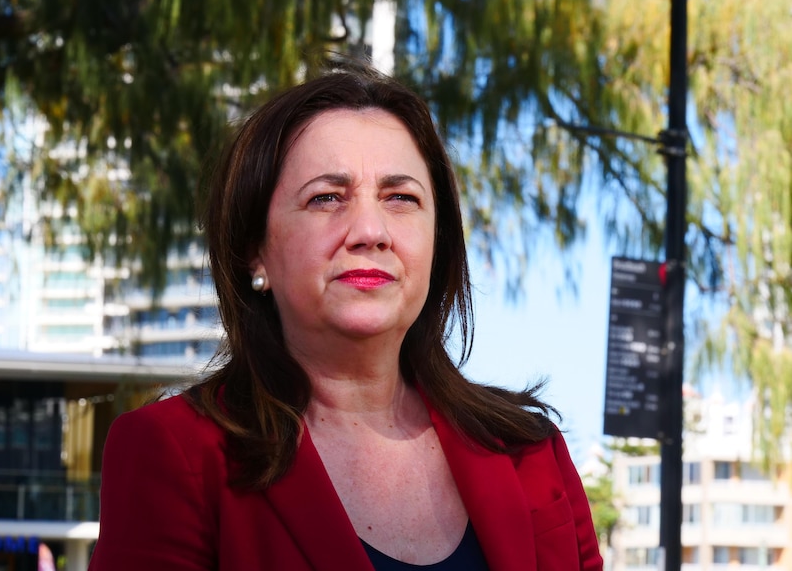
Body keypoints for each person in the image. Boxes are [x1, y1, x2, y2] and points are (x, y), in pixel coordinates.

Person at [88, 66, 603, 571]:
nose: (370, 230)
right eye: (326, 198)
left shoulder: (532, 454)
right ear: (256, 252)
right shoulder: (175, 453)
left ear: (437, 241)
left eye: (401, 198)